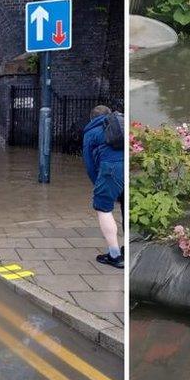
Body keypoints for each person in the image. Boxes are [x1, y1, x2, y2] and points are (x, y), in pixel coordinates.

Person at [82, 105, 124, 268]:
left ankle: (115, 256)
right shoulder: (121, 123)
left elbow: (90, 164)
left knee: (103, 209)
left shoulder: (90, 132)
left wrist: (97, 184)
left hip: (111, 170)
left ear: (92, 118)